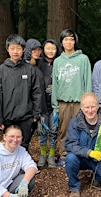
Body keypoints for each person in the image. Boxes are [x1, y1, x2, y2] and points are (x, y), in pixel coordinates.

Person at [0, 34, 41, 151]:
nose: (15, 51)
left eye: (18, 48)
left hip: (26, 116)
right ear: (8, 49)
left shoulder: (29, 69)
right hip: (8, 116)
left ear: (23, 50)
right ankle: (10, 168)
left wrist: (35, 114)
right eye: (12, 48)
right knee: (10, 144)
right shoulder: (1, 71)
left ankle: (22, 168)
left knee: (24, 144)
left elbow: (36, 92)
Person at [52, 29, 92, 167]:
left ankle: (80, 155)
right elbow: (55, 85)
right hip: (63, 102)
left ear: (75, 41)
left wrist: (87, 103)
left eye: (71, 39)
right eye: (66, 39)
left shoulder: (83, 59)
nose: (69, 42)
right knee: (63, 130)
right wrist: (55, 107)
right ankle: (63, 155)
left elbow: (88, 81)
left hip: (79, 102)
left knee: (81, 129)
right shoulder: (57, 61)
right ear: (62, 42)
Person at [37, 39, 61, 168]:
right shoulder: (39, 64)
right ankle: (42, 154)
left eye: (53, 48)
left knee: (53, 130)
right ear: (43, 50)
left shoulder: (59, 63)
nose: (50, 51)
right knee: (42, 130)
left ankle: (51, 155)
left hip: (55, 104)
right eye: (48, 48)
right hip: (42, 104)